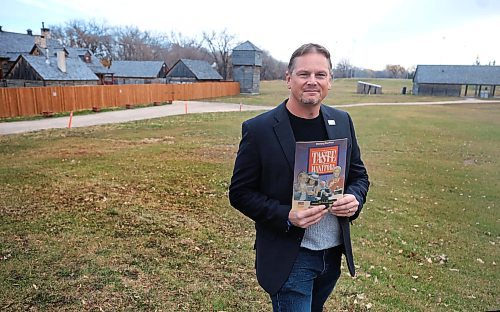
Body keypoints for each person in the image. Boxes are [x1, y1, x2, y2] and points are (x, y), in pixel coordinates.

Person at [229, 43, 370, 311]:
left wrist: (355, 198)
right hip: (291, 257)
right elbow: (240, 193)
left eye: (320, 75)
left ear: (330, 80)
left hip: (332, 254)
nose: (312, 81)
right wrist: (286, 215)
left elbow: (359, 175)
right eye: (304, 74)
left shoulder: (342, 121)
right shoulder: (259, 129)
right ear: (288, 79)